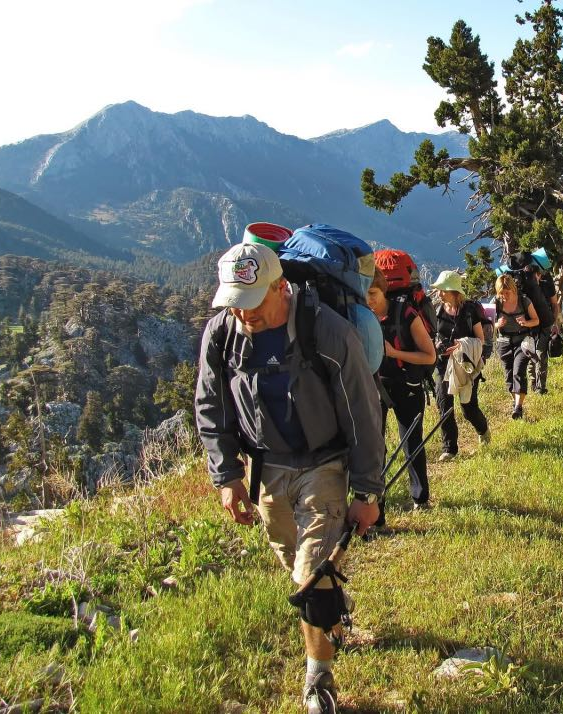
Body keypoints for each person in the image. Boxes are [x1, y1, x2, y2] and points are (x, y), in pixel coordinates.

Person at [194, 242, 384, 714]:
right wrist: (226, 476)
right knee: (290, 556)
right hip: (266, 470)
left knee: (309, 575)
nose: (243, 314)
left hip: (323, 465)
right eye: (234, 303)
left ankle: (318, 679)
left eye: (252, 301)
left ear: (281, 287)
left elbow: (362, 411)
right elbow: (210, 406)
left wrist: (368, 490)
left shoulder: (328, 332)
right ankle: (331, 609)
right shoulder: (223, 334)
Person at [366, 269, 437, 510]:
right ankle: (377, 510)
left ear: (383, 290)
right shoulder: (362, 316)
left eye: (373, 293)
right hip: (374, 385)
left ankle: (420, 499)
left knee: (411, 441)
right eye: (364, 294)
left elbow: (429, 356)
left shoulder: (406, 313)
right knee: (375, 447)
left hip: (407, 384)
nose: (369, 300)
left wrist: (395, 353)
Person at [429, 270, 491, 461]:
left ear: (454, 291)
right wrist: (437, 346)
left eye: (443, 290)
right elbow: (429, 336)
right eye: (438, 290)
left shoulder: (469, 311)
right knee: (443, 404)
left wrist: (460, 345)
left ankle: (483, 430)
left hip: (466, 364)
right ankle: (450, 448)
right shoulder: (436, 310)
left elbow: (480, 340)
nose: (439, 294)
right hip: (442, 364)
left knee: (468, 407)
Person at [494, 272, 539, 419]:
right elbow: (486, 325)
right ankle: (515, 403)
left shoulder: (524, 301)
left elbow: (536, 320)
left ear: (513, 289)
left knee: (518, 371)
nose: (504, 296)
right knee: (508, 376)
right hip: (504, 342)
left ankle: (518, 407)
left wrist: (526, 323)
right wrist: (497, 324)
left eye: (507, 292)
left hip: (522, 341)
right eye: (501, 293)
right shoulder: (496, 302)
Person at [525, 251, 561, 395]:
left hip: (544, 324)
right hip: (531, 324)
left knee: (541, 355)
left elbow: (554, 304)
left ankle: (540, 387)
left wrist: (554, 322)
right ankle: (535, 385)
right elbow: (554, 304)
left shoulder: (547, 283)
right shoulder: (526, 285)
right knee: (532, 355)